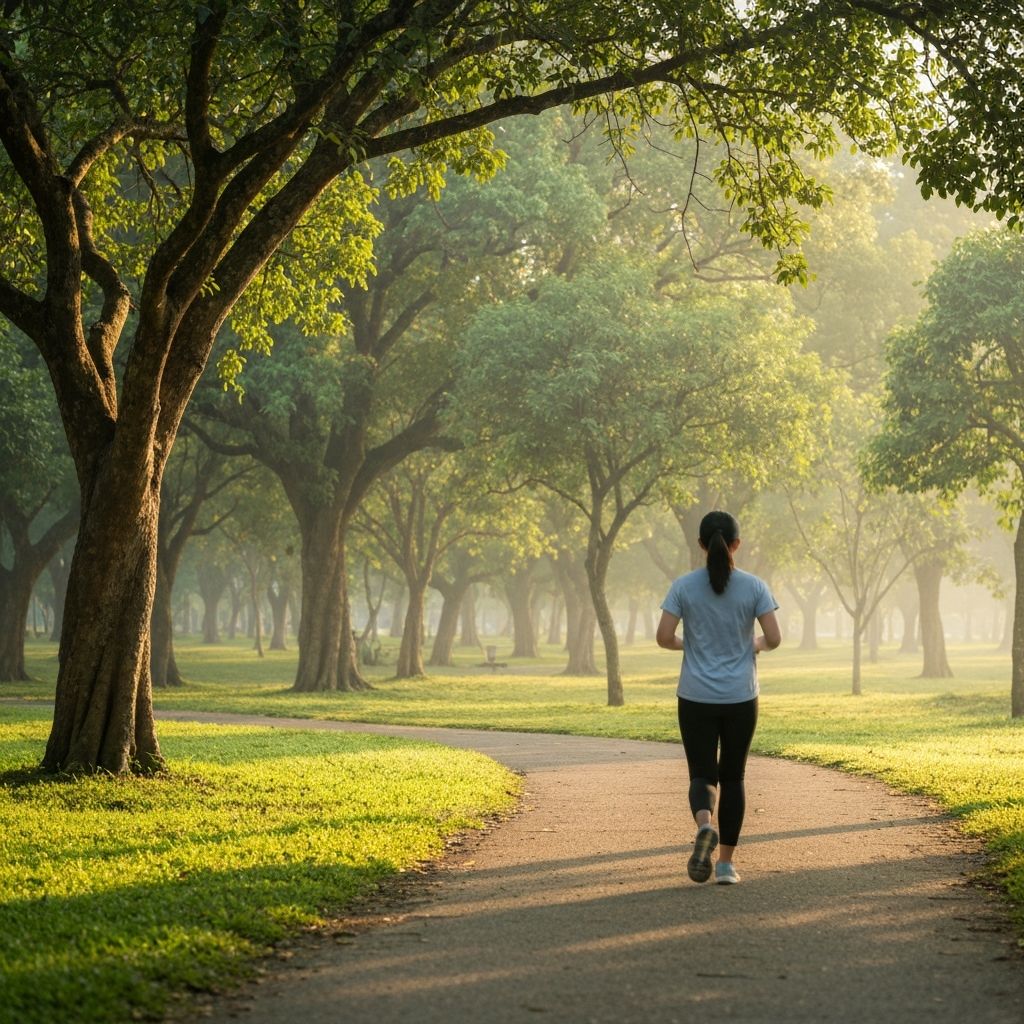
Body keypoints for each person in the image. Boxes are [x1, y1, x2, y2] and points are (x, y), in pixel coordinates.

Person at [656, 510, 781, 885]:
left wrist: (687, 645)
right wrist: (753, 645)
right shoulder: (755, 587)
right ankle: (725, 866)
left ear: (700, 545)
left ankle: (703, 826)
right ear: (737, 545)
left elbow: (663, 636)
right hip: (741, 696)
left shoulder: (682, 587)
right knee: (734, 776)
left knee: (702, 772)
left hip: (695, 695)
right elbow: (773, 638)